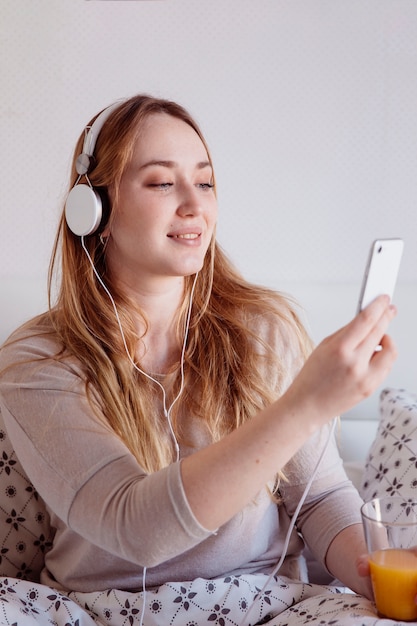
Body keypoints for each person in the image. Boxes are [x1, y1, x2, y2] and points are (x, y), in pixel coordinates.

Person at [0, 94, 401, 626]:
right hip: (98, 612)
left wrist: (382, 575)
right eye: (162, 183)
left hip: (261, 605)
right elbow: (135, 527)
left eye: (205, 182)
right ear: (91, 208)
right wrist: (305, 405)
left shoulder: (264, 330)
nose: (194, 204)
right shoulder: (36, 363)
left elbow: (320, 497)